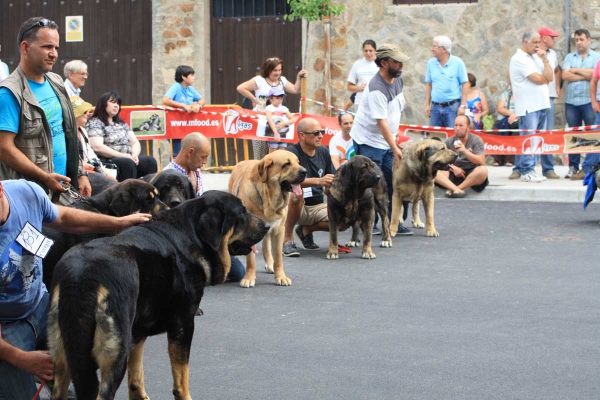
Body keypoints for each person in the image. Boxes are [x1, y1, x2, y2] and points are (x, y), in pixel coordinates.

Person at [0, 179, 151, 400]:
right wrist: (20, 358)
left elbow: (63, 217)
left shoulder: (26, 193)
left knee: (84, 371)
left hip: (42, 306)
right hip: (6, 328)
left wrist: (117, 223)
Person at [0, 17, 90, 201]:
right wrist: (44, 177)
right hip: (31, 195)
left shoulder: (56, 81)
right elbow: (4, 148)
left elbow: (70, 134)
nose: (54, 54)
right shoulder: (10, 93)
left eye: (56, 48)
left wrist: (80, 173)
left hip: (64, 187)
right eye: (47, 47)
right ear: (25, 48)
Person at [163, 132, 245, 281]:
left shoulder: (195, 171)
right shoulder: (170, 177)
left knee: (238, 271)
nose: (205, 162)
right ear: (190, 152)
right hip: (184, 238)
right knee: (232, 271)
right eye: (203, 157)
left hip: (203, 231)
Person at [350, 43, 413, 236]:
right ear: (384, 63)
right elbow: (382, 123)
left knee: (393, 183)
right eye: (396, 61)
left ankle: (394, 222)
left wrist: (395, 139)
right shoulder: (376, 88)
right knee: (369, 185)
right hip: (369, 142)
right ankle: (367, 223)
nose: (401, 65)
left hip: (387, 141)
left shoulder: (398, 80)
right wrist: (395, 148)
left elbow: (395, 113)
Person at [282, 118, 337, 257]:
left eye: (322, 132)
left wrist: (330, 185)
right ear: (302, 135)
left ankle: (306, 230)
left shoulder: (324, 151)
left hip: (317, 206)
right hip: (294, 206)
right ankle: (287, 239)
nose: (321, 135)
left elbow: (332, 176)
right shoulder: (291, 154)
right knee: (296, 194)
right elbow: (289, 180)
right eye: (316, 132)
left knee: (344, 218)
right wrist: (318, 181)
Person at [237, 57, 308, 160]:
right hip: (261, 120)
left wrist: (298, 77)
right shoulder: (259, 80)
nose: (278, 73)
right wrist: (254, 99)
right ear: (268, 70)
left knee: (278, 153)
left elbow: (295, 89)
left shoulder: (282, 80)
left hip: (277, 121)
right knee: (261, 153)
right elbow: (241, 88)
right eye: (275, 70)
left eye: (279, 70)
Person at [508, 29, 553, 183]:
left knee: (538, 139)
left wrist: (545, 60)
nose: (537, 46)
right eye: (534, 42)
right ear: (525, 42)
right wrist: (544, 78)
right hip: (529, 106)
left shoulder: (536, 57)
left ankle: (527, 168)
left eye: (538, 42)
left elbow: (550, 77)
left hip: (541, 104)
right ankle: (527, 169)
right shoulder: (518, 58)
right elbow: (538, 79)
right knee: (528, 138)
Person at [86, 91, 157, 181]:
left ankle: (149, 191)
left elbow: (135, 142)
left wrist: (134, 155)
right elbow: (97, 147)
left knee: (150, 161)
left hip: (127, 158)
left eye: (118, 103)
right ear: (103, 104)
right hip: (107, 160)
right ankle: (130, 192)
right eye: (112, 102)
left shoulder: (121, 123)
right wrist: (122, 156)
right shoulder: (95, 122)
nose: (116, 105)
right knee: (128, 163)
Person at [562, 28, 600, 180]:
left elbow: (594, 75)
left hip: (589, 103)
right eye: (577, 40)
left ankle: (590, 167)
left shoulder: (597, 57)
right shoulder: (570, 57)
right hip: (572, 102)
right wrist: (586, 74)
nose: (579, 42)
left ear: (589, 40)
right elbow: (565, 75)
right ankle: (573, 166)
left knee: (591, 135)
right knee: (573, 135)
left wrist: (576, 70)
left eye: (581, 39)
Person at [70, 95, 117, 193]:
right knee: (112, 186)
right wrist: (81, 165)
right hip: (78, 173)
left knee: (115, 182)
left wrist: (101, 169)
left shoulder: (83, 130)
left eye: (88, 111)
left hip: (90, 169)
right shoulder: (65, 133)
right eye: (84, 112)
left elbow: (91, 155)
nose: (88, 114)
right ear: (75, 115)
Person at [435, 115, 488, 197]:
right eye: (456, 125)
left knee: (483, 170)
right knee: (434, 171)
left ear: (468, 127)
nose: (457, 128)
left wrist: (465, 151)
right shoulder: (449, 141)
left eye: (461, 125)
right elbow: (440, 161)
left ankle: (457, 189)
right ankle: (456, 189)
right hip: (454, 172)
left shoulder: (476, 140)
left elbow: (481, 162)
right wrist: (452, 168)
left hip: (471, 172)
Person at [424, 36, 469, 128]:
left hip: (452, 108)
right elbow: (428, 84)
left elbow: (465, 84)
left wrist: (463, 105)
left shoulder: (458, 63)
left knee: (452, 136)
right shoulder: (431, 63)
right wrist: (427, 105)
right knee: (434, 137)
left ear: (443, 49)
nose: (431, 49)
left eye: (434, 46)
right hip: (435, 107)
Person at [535, 27, 562, 179]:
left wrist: (557, 86)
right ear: (544, 38)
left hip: (549, 98)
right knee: (528, 132)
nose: (554, 40)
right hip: (535, 98)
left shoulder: (553, 54)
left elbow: (557, 71)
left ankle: (548, 168)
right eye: (552, 37)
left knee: (548, 133)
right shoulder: (533, 53)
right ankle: (520, 168)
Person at [161, 65, 205, 157]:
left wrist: (198, 105)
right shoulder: (176, 86)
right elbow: (165, 100)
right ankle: (174, 171)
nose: (194, 78)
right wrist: (183, 105)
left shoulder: (190, 89)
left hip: (186, 127)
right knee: (178, 153)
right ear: (183, 77)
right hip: (174, 126)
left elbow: (202, 99)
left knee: (185, 153)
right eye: (191, 75)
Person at [264, 87, 297, 153]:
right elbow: (270, 120)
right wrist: (275, 133)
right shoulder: (269, 108)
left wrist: (283, 124)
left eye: (281, 98)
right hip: (272, 133)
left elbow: (293, 119)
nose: (279, 100)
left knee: (282, 152)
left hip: (283, 133)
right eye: (277, 98)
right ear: (271, 98)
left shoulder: (284, 108)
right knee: (272, 152)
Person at [347, 39, 378, 110]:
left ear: (375, 50)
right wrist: (359, 88)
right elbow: (349, 86)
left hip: (376, 102)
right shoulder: (357, 64)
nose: (368, 53)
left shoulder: (381, 64)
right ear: (363, 51)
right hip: (360, 102)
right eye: (366, 51)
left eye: (370, 50)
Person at [494, 81, 517, 167]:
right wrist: (512, 114)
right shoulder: (505, 95)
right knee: (497, 133)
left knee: (516, 134)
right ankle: (498, 159)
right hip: (504, 120)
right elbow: (500, 108)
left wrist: (516, 116)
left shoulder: (524, 96)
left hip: (517, 121)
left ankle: (510, 160)